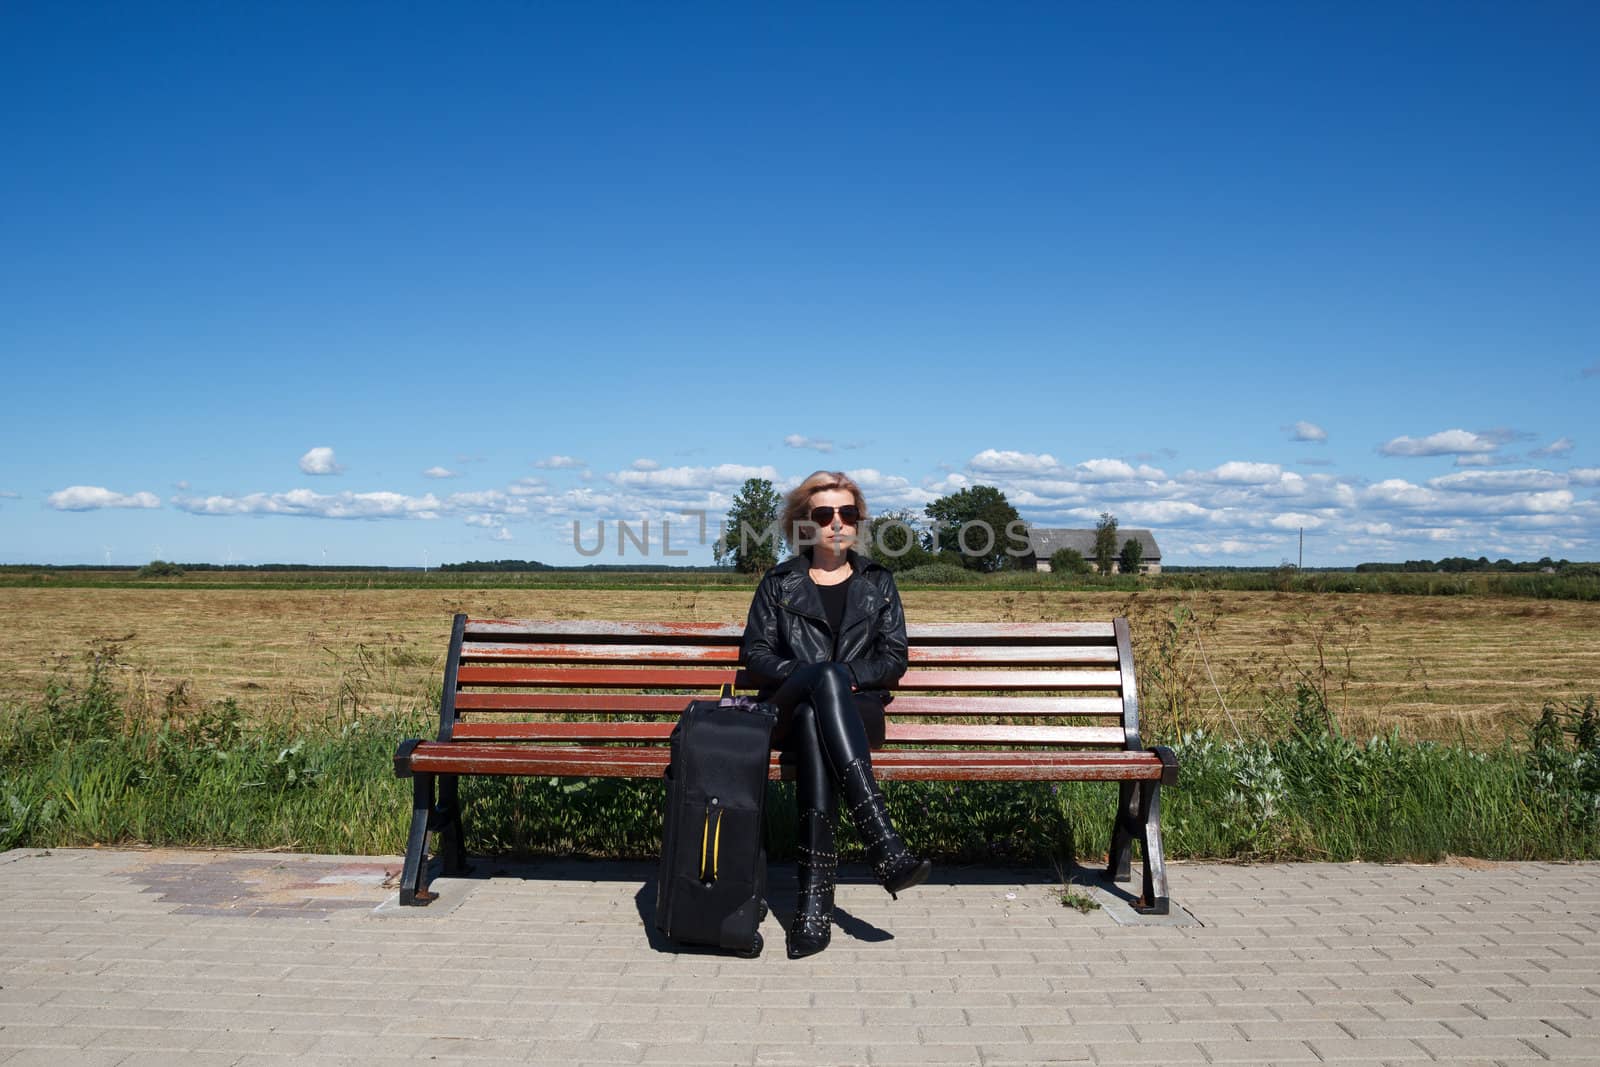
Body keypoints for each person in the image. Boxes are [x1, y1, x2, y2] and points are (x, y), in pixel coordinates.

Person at [741, 470, 932, 959]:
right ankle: (880, 840)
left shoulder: (878, 583)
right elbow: (757, 656)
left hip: (857, 713)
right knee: (815, 689)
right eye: (824, 515)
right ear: (804, 524)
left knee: (816, 716)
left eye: (848, 514)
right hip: (783, 705)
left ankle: (813, 906)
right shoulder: (780, 582)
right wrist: (811, 675)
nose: (837, 524)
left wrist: (839, 678)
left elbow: (893, 660)